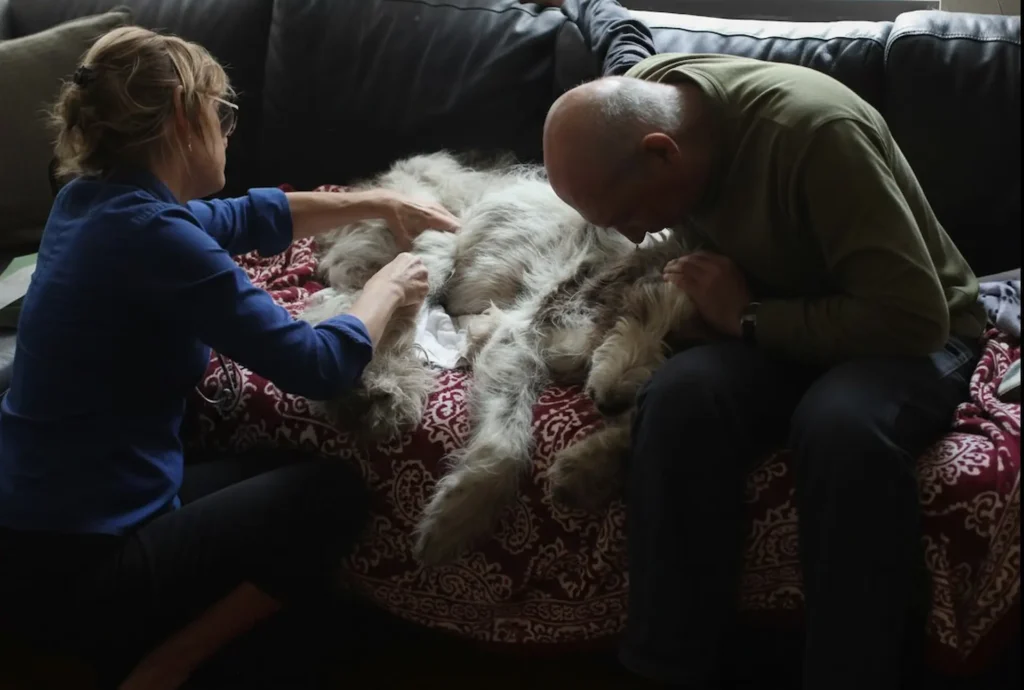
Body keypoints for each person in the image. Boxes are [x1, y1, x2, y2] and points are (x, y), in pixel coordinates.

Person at [538, 6, 987, 689]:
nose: (632, 237)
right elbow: (617, 38)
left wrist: (746, 318)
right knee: (681, 397)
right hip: (776, 312)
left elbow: (913, 316)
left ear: (663, 150)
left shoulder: (812, 135)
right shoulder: (654, 99)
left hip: (910, 330)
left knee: (840, 426)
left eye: (628, 215)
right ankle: (668, 664)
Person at [0, 26, 460, 690]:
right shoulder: (157, 239)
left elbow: (242, 218)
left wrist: (375, 202)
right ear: (188, 117)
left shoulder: (91, 201)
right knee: (332, 497)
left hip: (33, 530)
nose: (227, 130)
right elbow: (318, 363)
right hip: (76, 566)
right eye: (224, 113)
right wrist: (385, 289)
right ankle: (162, 668)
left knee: (278, 472)